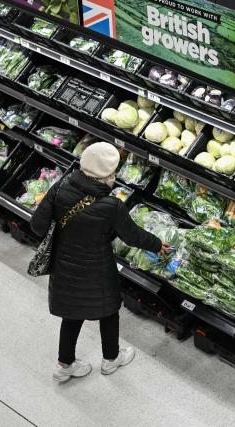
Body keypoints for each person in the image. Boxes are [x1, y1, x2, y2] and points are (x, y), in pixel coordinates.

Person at [30, 142, 169, 383]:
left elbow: (37, 226)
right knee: (108, 313)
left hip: (64, 266)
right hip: (99, 268)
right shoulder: (111, 206)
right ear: (108, 175)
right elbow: (133, 236)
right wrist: (158, 245)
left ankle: (65, 366)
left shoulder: (60, 186)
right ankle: (111, 359)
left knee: (71, 315)